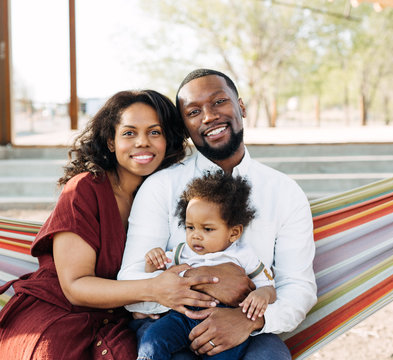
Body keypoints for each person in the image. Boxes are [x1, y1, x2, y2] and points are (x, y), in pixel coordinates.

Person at [0, 90, 220, 360]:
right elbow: (75, 287)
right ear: (111, 141)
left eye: (155, 132)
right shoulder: (85, 189)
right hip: (57, 313)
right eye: (129, 133)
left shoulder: (166, 194)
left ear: (168, 140)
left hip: (116, 323)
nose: (143, 142)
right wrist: (155, 288)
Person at [118, 69, 317, 360]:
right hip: (170, 324)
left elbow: (298, 287)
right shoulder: (161, 187)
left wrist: (249, 320)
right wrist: (206, 281)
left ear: (242, 107)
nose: (209, 116)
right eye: (194, 111)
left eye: (219, 101)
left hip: (251, 331)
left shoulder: (284, 192)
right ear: (185, 126)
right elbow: (131, 280)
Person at [136, 170, 276, 360]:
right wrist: (153, 262)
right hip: (182, 317)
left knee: (224, 355)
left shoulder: (243, 255)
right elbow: (158, 276)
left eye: (207, 229)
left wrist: (262, 294)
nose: (196, 235)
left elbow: (268, 286)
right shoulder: (182, 252)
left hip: (225, 319)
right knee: (153, 339)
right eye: (190, 227)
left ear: (234, 233)